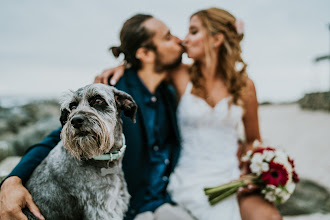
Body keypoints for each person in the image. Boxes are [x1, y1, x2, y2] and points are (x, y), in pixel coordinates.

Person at [0, 14, 195, 220]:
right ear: (145, 53)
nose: (179, 40)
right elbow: (56, 138)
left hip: (165, 198)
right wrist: (13, 179)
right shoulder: (112, 92)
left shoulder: (169, 89)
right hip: (129, 207)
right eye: (167, 37)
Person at [95, 8, 282, 220]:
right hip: (189, 178)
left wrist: (249, 172)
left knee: (269, 216)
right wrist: (121, 67)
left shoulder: (245, 86)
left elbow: (253, 140)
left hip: (231, 174)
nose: (184, 39)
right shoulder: (179, 75)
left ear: (217, 39)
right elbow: (148, 63)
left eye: (193, 32)